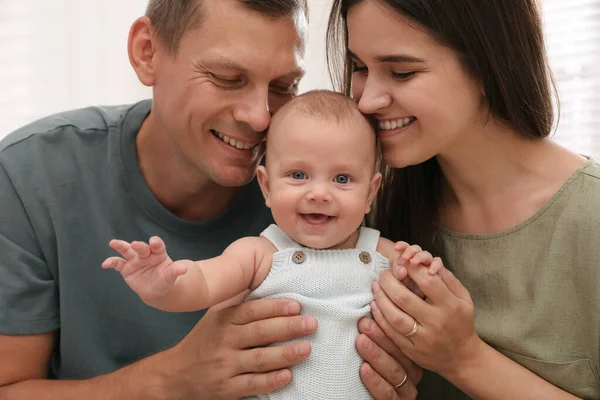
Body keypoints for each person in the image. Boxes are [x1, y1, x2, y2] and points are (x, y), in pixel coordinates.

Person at [0, 1, 421, 399]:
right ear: (147, 53)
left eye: (283, 86)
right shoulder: (28, 177)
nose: (259, 117)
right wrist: (173, 378)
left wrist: (395, 369)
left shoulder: (335, 194)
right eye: (227, 78)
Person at [327, 0, 600, 399]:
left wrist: (464, 359)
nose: (367, 101)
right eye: (360, 68)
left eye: (402, 72)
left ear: (489, 63)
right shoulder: (370, 207)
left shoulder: (588, 218)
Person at [102, 90, 441, 399]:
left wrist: (419, 279)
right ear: (266, 186)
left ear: (370, 192)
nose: (318, 193)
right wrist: (161, 284)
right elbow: (203, 283)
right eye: (298, 175)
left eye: (341, 179)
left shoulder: (383, 254)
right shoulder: (260, 254)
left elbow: (418, 307)